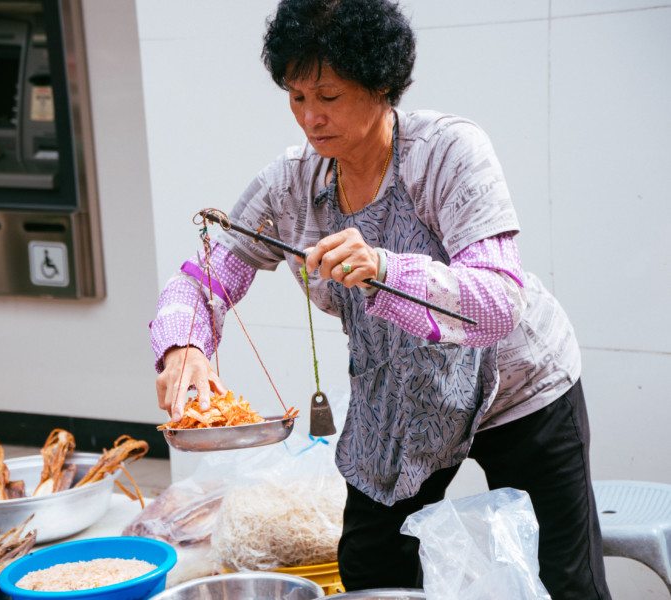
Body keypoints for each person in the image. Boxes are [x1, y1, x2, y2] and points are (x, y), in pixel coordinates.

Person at [149, 0, 611, 597]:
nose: (310, 118)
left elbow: (498, 303)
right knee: (372, 568)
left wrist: (385, 270)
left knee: (564, 580)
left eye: (329, 96)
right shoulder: (291, 185)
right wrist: (184, 343)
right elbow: (205, 278)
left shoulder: (448, 153)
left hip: (520, 390)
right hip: (403, 399)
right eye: (296, 97)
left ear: (383, 83)